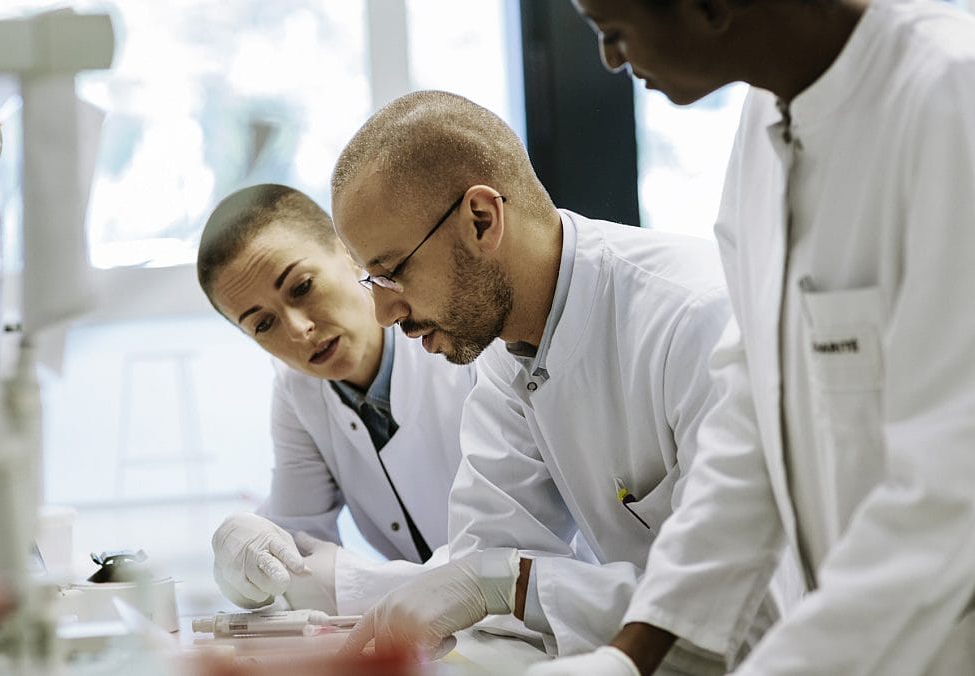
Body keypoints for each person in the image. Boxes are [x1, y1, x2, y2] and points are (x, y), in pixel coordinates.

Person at [529, 1, 975, 674]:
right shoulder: (767, 119)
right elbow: (754, 412)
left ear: (710, 7)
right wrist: (630, 654)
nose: (610, 60)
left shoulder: (950, 97)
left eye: (612, 29)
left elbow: (952, 493)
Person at [329, 90, 777, 672]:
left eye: (392, 273)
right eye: (371, 282)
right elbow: (484, 572)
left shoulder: (695, 319)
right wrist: (494, 587)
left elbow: (748, 617)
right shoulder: (505, 353)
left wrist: (512, 585)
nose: (385, 314)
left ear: (481, 220)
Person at [196, 184, 476, 617]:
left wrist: (352, 584)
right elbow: (295, 550)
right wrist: (245, 566)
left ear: (348, 250)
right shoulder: (297, 390)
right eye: (263, 323)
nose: (298, 329)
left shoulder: (464, 345)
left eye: (302, 287)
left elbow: (507, 563)